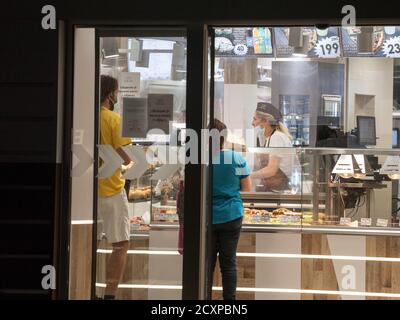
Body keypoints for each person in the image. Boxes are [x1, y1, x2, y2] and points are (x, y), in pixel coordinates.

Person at [97, 75, 140, 299]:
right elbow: (127, 158)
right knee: (120, 244)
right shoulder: (114, 119)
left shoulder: (84, 115)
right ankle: (110, 295)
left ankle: (85, 285)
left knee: (88, 241)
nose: (118, 95)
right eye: (116, 91)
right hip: (112, 189)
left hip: (86, 192)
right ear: (110, 94)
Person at [208, 119, 252, 300]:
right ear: (223, 138)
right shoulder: (237, 158)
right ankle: (229, 303)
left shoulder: (198, 160)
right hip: (231, 215)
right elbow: (246, 188)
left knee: (206, 263)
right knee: (228, 263)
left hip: (207, 217)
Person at [251, 102, 294, 191]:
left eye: (255, 119)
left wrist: (248, 175)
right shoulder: (270, 138)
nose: (252, 123)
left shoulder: (277, 137)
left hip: (280, 190)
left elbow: (271, 169)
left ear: (265, 121)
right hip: (275, 188)